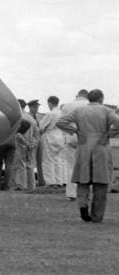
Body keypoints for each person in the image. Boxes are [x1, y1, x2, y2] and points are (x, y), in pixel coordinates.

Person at [55, 89, 119, 223]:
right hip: (101, 146)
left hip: (83, 146)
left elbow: (61, 122)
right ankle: (96, 216)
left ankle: (83, 204)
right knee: (101, 182)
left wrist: (75, 131)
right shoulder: (106, 110)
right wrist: (109, 134)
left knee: (83, 179)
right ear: (101, 98)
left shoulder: (79, 110)